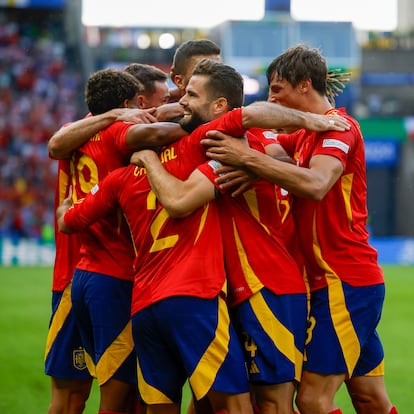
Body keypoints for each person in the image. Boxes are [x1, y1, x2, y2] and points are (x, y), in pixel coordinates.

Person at [57, 59, 348, 413]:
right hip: (197, 297)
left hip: (149, 301)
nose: (181, 100)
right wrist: (311, 122)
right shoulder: (203, 143)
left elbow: (69, 217)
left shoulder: (122, 174)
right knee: (241, 405)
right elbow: (252, 120)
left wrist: (65, 208)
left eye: (189, 95)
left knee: (159, 405)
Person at [199, 45, 398, 414]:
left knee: (311, 400)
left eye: (277, 89)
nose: (271, 98)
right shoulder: (305, 134)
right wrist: (253, 158)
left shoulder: (341, 128)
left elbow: (316, 184)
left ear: (305, 85)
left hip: (345, 281)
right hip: (331, 283)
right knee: (370, 398)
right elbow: (271, 150)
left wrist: (245, 158)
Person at [49, 67, 186, 414]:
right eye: (157, 101)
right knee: (117, 394)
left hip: (86, 269)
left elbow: (56, 144)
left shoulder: (77, 131)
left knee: (114, 393)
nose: (157, 107)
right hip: (112, 274)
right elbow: (156, 131)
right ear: (133, 103)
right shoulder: (117, 132)